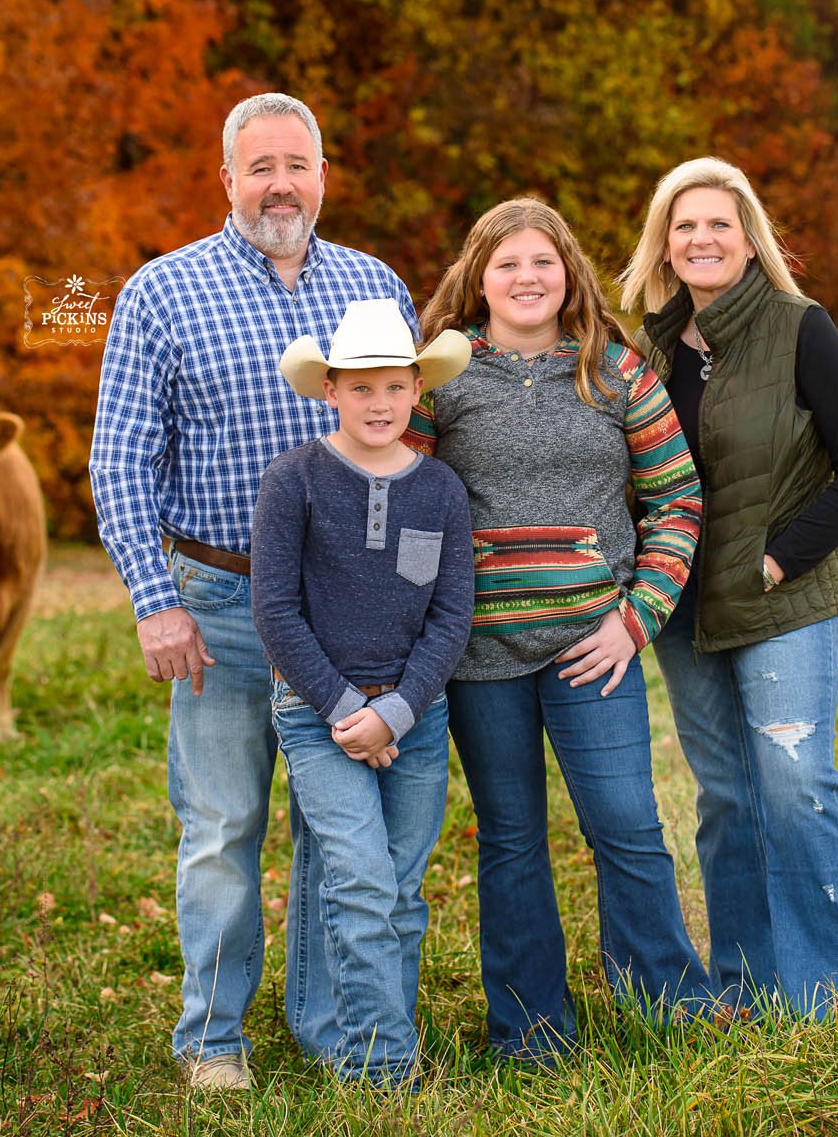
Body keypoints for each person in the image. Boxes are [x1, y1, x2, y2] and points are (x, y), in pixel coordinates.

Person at [88, 93, 419, 1090]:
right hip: (220, 604)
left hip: (348, 613)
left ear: (323, 175)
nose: (280, 182)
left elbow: (413, 447)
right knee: (224, 823)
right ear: (225, 177)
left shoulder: (375, 286)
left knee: (337, 830)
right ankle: (214, 1034)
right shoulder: (161, 291)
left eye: (298, 163)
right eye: (260, 165)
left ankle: (327, 1022)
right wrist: (156, 599)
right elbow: (119, 461)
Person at [404, 197, 717, 1061]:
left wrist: (635, 619)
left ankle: (672, 1008)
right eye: (507, 264)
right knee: (510, 839)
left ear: (569, 273)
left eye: (543, 262)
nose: (527, 278)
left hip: (594, 645)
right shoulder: (443, 379)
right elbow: (406, 501)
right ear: (479, 278)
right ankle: (530, 1030)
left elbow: (678, 500)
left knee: (625, 822)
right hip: (480, 656)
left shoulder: (617, 372)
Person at [617, 156, 838, 1026]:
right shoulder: (650, 348)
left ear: (748, 240)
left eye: (718, 225)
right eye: (683, 225)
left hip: (784, 599)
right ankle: (749, 985)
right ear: (664, 244)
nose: (700, 239)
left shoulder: (800, 327)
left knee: (796, 781)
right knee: (728, 794)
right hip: (684, 605)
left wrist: (777, 559)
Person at [250, 298, 476, 1086]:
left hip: (417, 711)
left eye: (393, 387)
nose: (378, 404)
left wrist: (398, 712)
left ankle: (363, 1031)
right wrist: (350, 711)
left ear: (417, 388)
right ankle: (382, 1069)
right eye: (360, 388)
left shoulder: (440, 488)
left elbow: (452, 613)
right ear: (330, 392)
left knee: (402, 891)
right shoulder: (295, 480)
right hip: (320, 716)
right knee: (359, 878)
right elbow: (274, 608)